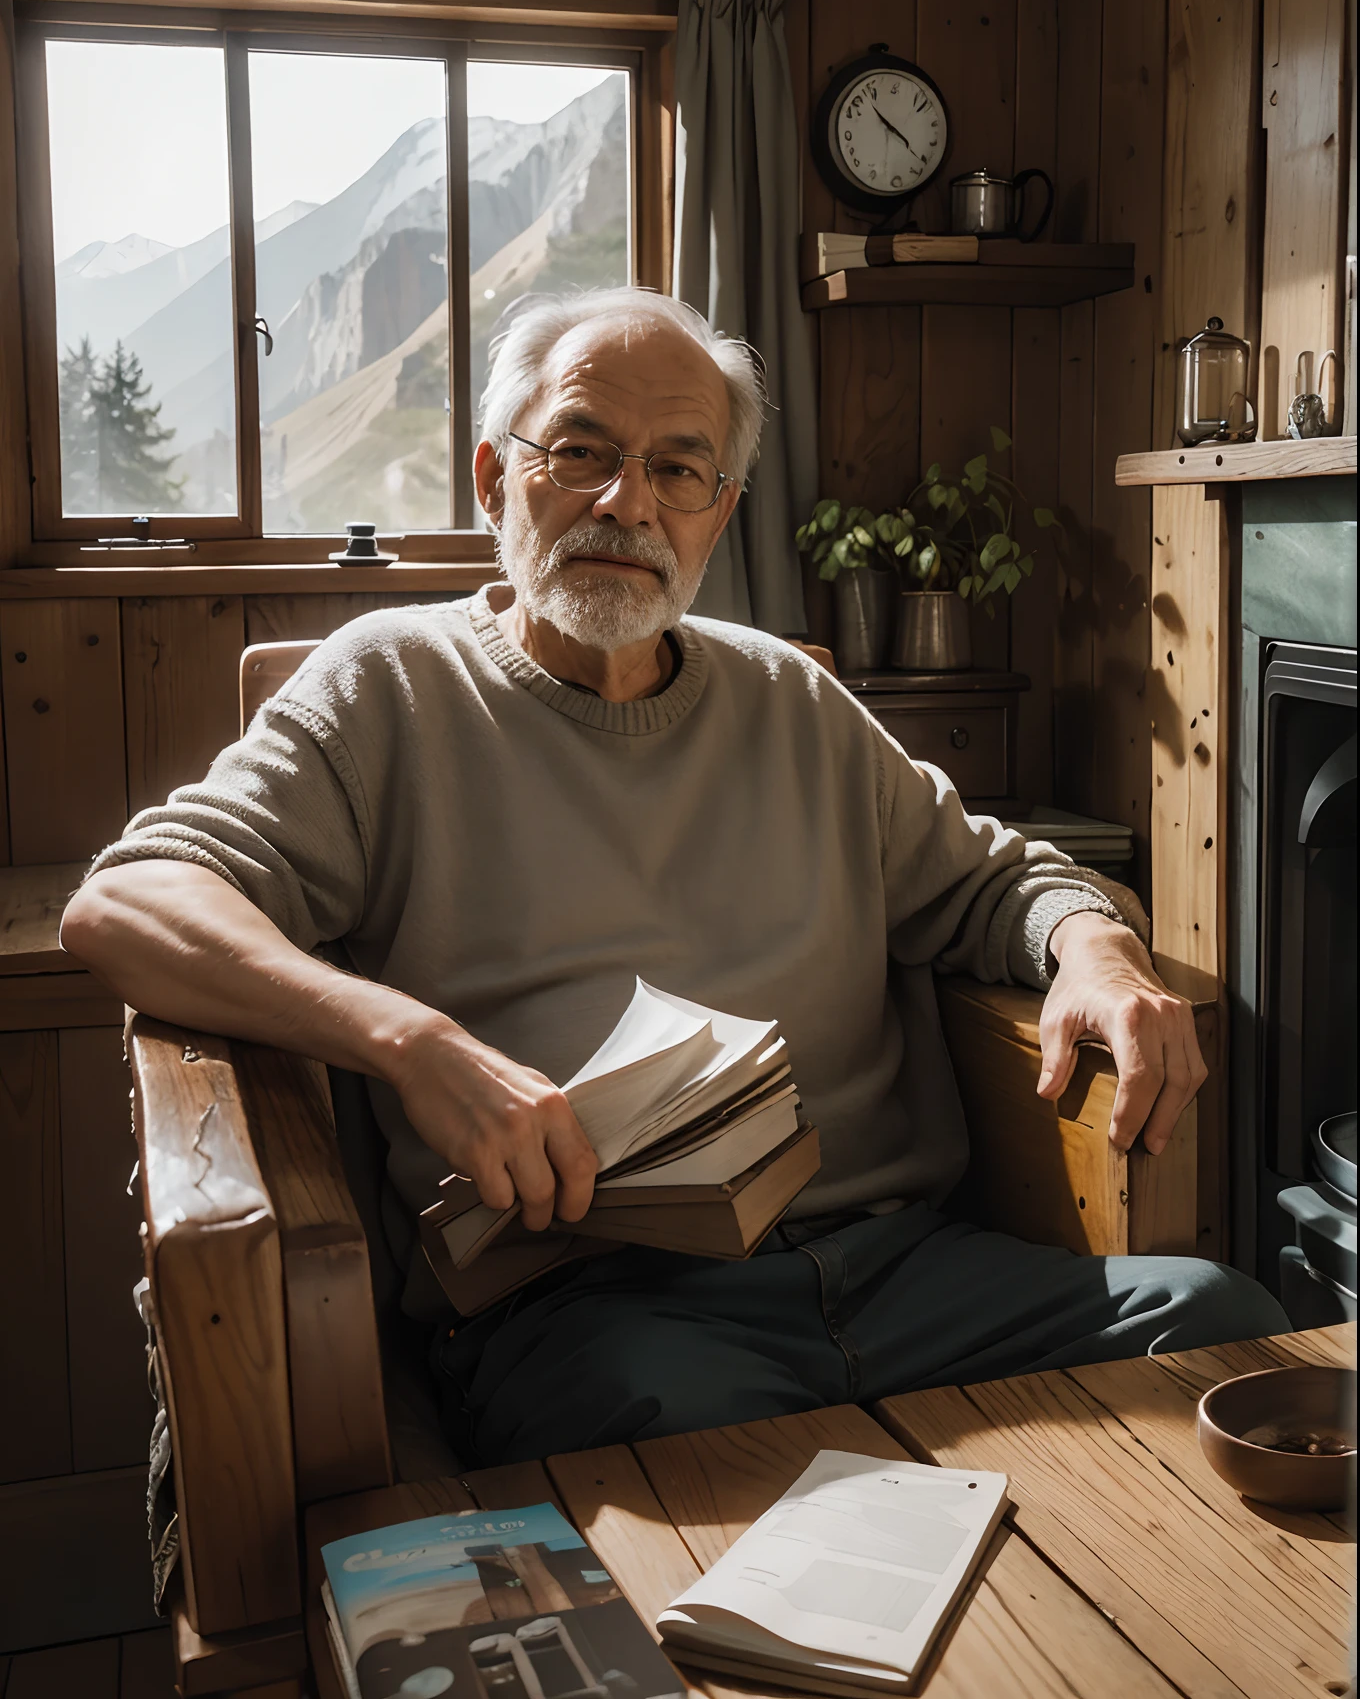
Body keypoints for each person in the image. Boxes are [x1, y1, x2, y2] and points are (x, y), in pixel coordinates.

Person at [61, 287, 1287, 1465]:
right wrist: (410, 1040)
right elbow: (127, 899)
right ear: (495, 477)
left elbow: (998, 879)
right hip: (599, 1309)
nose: (626, 502)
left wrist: (1100, 948)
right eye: (580, 451)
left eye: (677, 468)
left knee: (1226, 1330)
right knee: (721, 1476)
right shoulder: (388, 686)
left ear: (720, 507)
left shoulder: (790, 696)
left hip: (904, 1270)